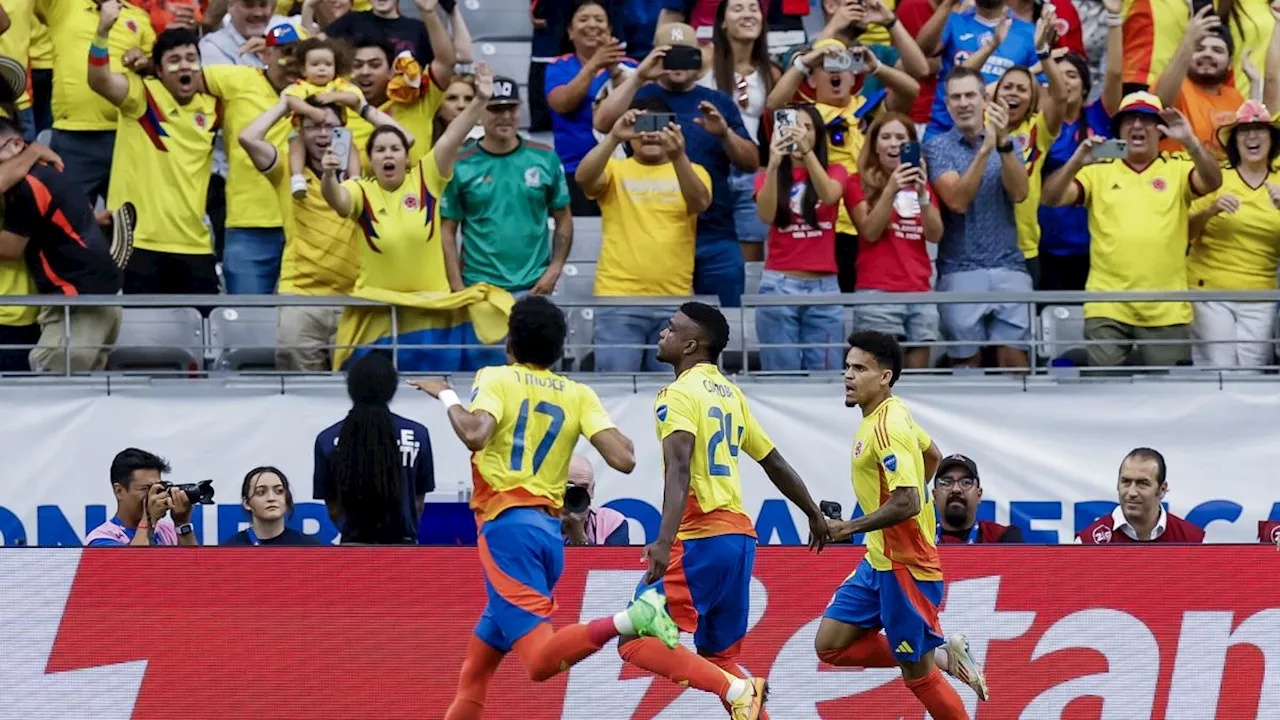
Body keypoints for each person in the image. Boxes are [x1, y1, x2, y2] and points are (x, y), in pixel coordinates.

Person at [406, 295, 680, 720]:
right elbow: (624, 459)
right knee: (476, 668)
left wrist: (445, 394)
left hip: (508, 529)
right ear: (559, 349)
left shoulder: (497, 378)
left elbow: (476, 434)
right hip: (549, 537)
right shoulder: (577, 393)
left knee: (537, 662)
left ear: (510, 343)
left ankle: (632, 618)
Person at [619, 301, 832, 720]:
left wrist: (664, 542)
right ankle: (741, 691)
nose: (663, 334)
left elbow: (680, 467)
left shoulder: (676, 395)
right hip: (740, 542)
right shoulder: (730, 394)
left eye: (671, 329)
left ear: (691, 345)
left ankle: (740, 689)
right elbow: (773, 461)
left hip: (702, 538)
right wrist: (812, 512)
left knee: (635, 640)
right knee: (718, 657)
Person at [817, 330, 988, 718]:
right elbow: (934, 455)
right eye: (847, 366)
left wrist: (849, 527)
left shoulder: (887, 426)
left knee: (917, 675)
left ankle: (932, 658)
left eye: (860, 368)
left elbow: (908, 500)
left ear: (885, 377)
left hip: (906, 567)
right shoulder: (891, 414)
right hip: (878, 561)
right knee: (830, 646)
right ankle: (942, 654)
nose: (848, 375)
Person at [1041, 92, 1223, 369]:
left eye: (1147, 120)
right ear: (1118, 130)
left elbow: (1213, 181)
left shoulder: (1177, 167)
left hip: (1167, 308)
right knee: (1105, 390)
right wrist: (1076, 161)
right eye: (1130, 120)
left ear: (1160, 130)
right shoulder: (1098, 170)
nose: (1138, 125)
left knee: (1169, 397)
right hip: (1107, 305)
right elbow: (1050, 198)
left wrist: (1191, 141)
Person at [594, 22, 760, 308]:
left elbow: (750, 162)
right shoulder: (640, 99)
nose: (677, 64)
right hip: (655, 237)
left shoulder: (717, 101)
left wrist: (724, 134)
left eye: (686, 54)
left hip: (714, 233)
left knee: (724, 326)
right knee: (666, 330)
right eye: (669, 55)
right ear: (655, 56)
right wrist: (638, 77)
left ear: (698, 58)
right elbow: (603, 123)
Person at [320, 65, 489, 298]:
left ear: (406, 156)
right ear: (371, 159)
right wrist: (328, 176)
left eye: (395, 149)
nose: (388, 154)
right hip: (378, 308)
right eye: (380, 150)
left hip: (429, 306)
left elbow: (452, 136)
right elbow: (337, 200)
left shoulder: (426, 178)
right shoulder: (360, 190)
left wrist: (480, 100)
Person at [89, 11, 220, 294]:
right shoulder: (142, 97)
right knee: (142, 334)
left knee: (203, 335)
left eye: (190, 58)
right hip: (138, 242)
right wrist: (102, 34)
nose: (184, 65)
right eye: (174, 60)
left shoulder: (214, 108)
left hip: (194, 244)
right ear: (158, 71)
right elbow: (99, 81)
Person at [576, 100, 711, 373]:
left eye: (659, 126)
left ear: (673, 129)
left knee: (672, 398)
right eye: (642, 126)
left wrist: (678, 155)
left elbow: (700, 202)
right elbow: (583, 178)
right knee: (616, 392)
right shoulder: (615, 169)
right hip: (618, 299)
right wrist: (614, 136)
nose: (650, 133)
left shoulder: (694, 171)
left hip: (675, 301)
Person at [239, 99, 366, 371]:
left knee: (356, 393)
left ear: (344, 129)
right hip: (300, 298)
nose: (322, 134)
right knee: (300, 394)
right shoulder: (285, 169)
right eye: (313, 126)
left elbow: (406, 141)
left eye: (330, 126)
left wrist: (363, 107)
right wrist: (287, 104)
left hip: (355, 298)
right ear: (300, 131)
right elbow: (247, 137)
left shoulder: (362, 170)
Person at [925, 66, 1032, 369]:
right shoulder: (937, 147)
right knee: (966, 362)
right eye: (955, 97)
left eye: (970, 95)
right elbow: (957, 201)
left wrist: (1002, 144)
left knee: (1015, 361)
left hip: (1010, 264)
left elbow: (1020, 193)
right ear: (947, 105)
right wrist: (985, 151)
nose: (963, 103)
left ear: (985, 99)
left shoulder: (1009, 143)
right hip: (959, 268)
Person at [0, 121, 124, 373]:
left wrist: (33, 151)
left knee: (53, 391)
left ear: (16, 146)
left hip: (78, 303)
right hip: (96, 299)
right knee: (81, 396)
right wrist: (34, 151)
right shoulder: (46, 171)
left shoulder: (30, 184)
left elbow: (9, 249)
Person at [441, 77, 572, 297]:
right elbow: (447, 229)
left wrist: (555, 268)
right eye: (496, 109)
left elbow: (564, 216)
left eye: (511, 108)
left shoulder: (545, 158)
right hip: (479, 288)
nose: (506, 116)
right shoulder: (461, 164)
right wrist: (457, 288)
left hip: (534, 287)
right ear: (480, 113)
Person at [200, 22, 304, 294]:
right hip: (248, 225)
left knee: (302, 321)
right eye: (284, 51)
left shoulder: (323, 88)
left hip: (306, 223)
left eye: (298, 52)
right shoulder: (238, 79)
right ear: (265, 54)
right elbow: (182, 77)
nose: (291, 60)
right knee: (247, 322)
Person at [1037, 0, 1125, 292]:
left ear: (1086, 87)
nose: (1065, 82)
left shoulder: (1100, 116)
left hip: (1096, 247)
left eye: (1072, 76)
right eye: (1059, 76)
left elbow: (1113, 74)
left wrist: (1114, 17)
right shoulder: (1042, 125)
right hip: (1047, 246)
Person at [752, 104, 847, 372]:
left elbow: (829, 195)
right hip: (779, 285)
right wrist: (772, 165)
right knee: (781, 374)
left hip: (825, 287)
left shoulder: (836, 170)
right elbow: (766, 215)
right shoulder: (765, 176)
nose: (798, 132)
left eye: (806, 127)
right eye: (792, 125)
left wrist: (806, 151)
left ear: (817, 134)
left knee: (828, 374)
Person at [1186, 100, 1280, 369]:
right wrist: (1211, 210)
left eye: (1260, 130)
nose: (1252, 137)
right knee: (1220, 368)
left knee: (1253, 371)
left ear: (1272, 140)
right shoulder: (1215, 177)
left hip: (1261, 294)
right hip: (1210, 290)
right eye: (1244, 131)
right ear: (1234, 141)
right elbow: (1183, 233)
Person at [848, 112, 943, 370]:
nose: (893, 144)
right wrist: (891, 188)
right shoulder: (856, 182)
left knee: (919, 382)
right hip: (877, 292)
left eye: (901, 138)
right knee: (880, 383)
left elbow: (935, 234)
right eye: (886, 137)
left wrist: (923, 193)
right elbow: (869, 231)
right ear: (874, 146)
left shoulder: (922, 184)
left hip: (919, 290)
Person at [40, 0, 155, 205]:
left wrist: (144, 61)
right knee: (68, 218)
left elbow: (156, 70)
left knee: (128, 221)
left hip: (127, 134)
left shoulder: (139, 17)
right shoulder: (61, 5)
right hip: (74, 135)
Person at [314, 352, 435, 544]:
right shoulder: (417, 435)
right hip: (404, 548)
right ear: (392, 388)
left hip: (352, 548)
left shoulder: (327, 439)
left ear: (351, 387)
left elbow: (333, 507)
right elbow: (417, 502)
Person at [544, 0, 638, 216]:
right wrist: (594, 64)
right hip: (573, 169)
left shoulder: (632, 67)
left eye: (599, 19)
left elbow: (642, 111)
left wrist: (615, 71)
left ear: (610, 30)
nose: (592, 25)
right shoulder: (559, 66)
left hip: (626, 169)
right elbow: (562, 104)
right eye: (583, 19)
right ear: (570, 32)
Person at [701, 0, 778, 262]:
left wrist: (768, 168)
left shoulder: (771, 72)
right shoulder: (704, 59)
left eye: (753, 8)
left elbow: (780, 127)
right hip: (707, 169)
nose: (747, 14)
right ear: (722, 21)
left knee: (751, 260)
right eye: (738, 8)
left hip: (749, 172)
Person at [918, 0, 1038, 139]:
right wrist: (947, 4)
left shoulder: (1029, 33)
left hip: (997, 135)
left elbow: (1036, 93)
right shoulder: (954, 20)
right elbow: (923, 50)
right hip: (943, 129)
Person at [1152, 6, 1250, 157]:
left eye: (1217, 50)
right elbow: (1158, 104)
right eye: (1199, 48)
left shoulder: (1235, 97)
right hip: (1179, 177)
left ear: (1230, 63)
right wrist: (1188, 42)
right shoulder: (1175, 86)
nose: (1207, 54)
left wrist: (1256, 84)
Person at [282, 37, 365, 196]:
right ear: (304, 70)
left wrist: (333, 97)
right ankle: (298, 178)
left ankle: (355, 178)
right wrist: (312, 112)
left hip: (336, 132)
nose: (322, 69)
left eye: (328, 65)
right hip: (303, 132)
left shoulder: (338, 85)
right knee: (295, 142)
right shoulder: (301, 86)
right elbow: (290, 100)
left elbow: (355, 98)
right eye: (315, 65)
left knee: (350, 143)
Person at [1077, 448, 1206, 544]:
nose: (1132, 492)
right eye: (1126, 482)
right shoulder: (1088, 541)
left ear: (1162, 489)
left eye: (1142, 483)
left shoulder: (1192, 540)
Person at [85, 448, 197, 547]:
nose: (154, 495)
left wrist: (182, 523)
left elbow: (193, 568)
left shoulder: (168, 531)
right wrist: (148, 517)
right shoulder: (100, 540)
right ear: (119, 491)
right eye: (145, 489)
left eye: (158, 487)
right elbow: (135, 567)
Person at [932, 454, 1024, 543]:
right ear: (935, 496)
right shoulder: (921, 539)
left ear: (979, 495)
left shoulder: (1002, 537)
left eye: (966, 482)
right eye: (946, 482)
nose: (956, 489)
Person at [223, 466, 326, 545]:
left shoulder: (310, 548)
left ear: (286, 498)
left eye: (279, 491)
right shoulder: (230, 550)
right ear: (247, 503)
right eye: (261, 492)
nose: (271, 498)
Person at [324, 0, 437, 64]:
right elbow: (315, 45)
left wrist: (451, 13)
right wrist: (309, 7)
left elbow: (444, 63)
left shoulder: (418, 28)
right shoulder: (351, 20)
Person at [562, 455, 630, 546]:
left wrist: (579, 537)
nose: (576, 494)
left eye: (583, 488)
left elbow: (614, 560)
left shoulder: (612, 522)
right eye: (569, 487)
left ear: (592, 490)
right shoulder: (542, 521)